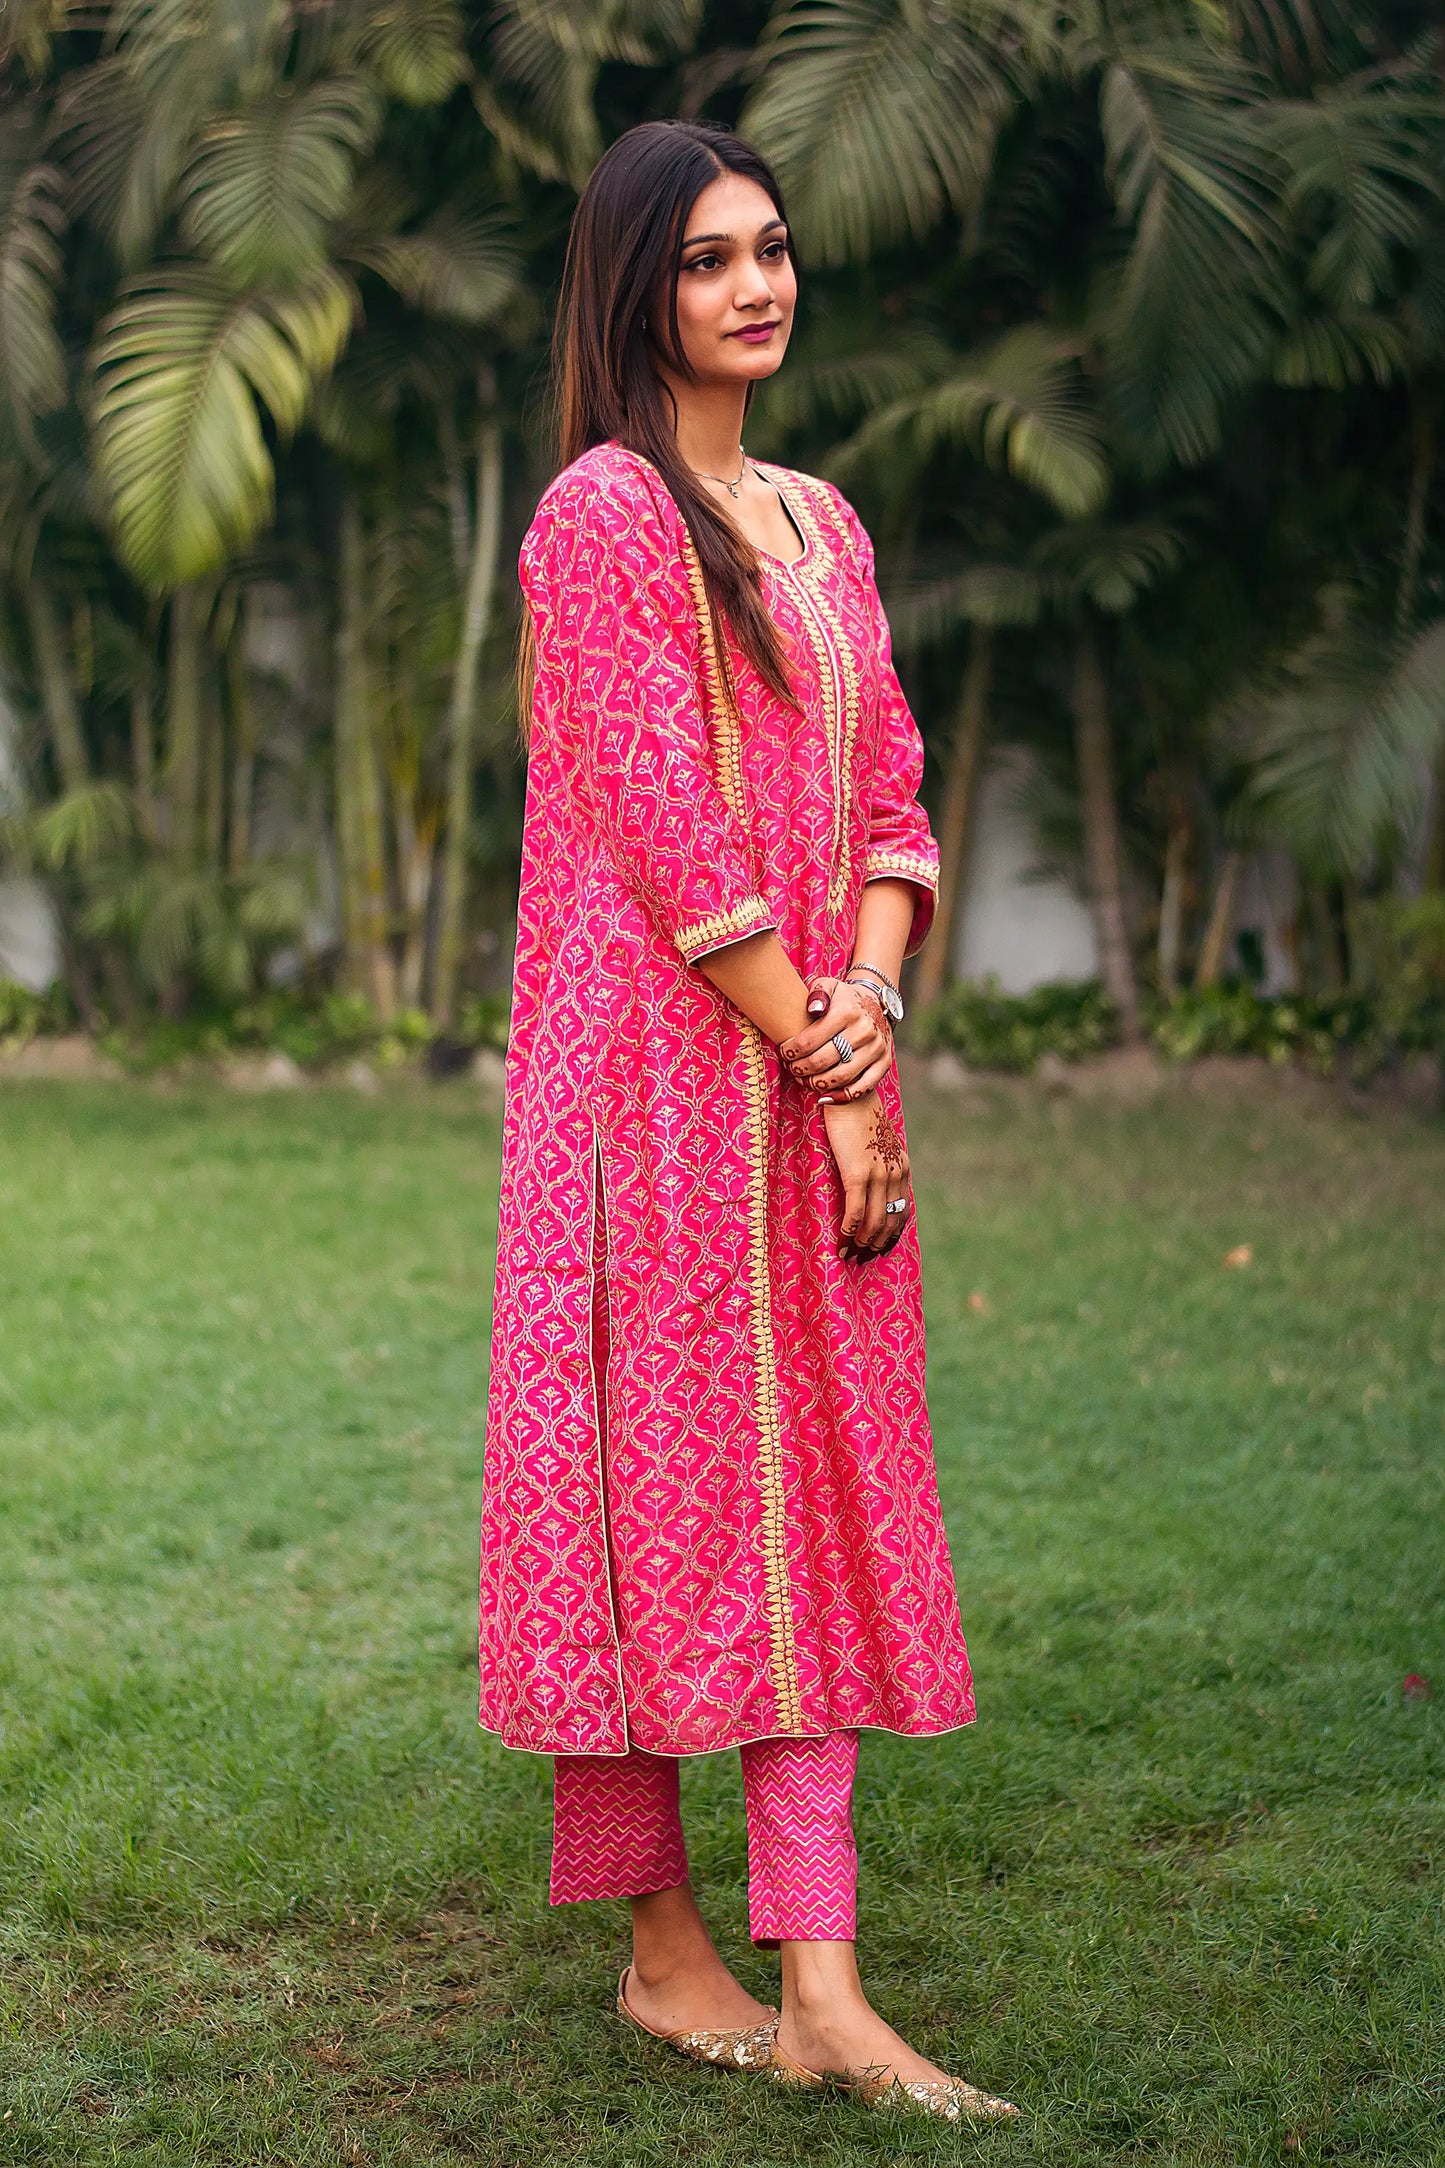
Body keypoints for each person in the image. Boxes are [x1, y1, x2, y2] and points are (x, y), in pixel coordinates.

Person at [477, 117, 1016, 2124]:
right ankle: (662, 1943)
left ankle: (821, 1980)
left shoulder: (826, 519)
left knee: (816, 1501)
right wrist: (838, 1065)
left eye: (771, 247)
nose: (756, 284)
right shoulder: (600, 517)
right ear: (640, 292)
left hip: (807, 1064)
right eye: (708, 259)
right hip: (649, 1096)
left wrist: (866, 1023)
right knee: (644, 1494)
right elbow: (666, 830)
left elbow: (894, 797)